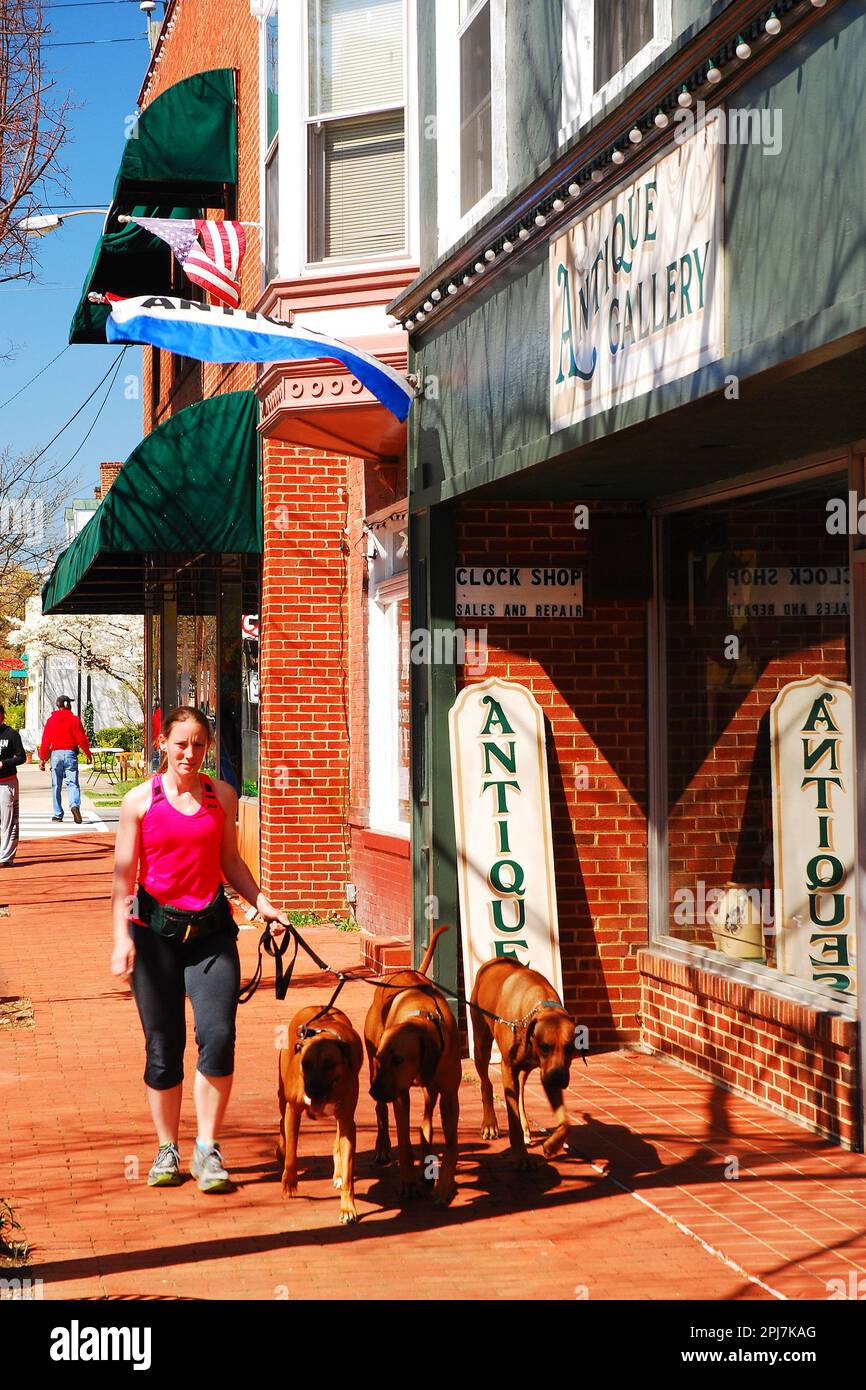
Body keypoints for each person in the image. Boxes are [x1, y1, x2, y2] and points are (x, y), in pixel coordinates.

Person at [110, 705, 290, 1193]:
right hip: (155, 937)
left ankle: (207, 1148)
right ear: (163, 744)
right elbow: (125, 876)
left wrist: (262, 903)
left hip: (211, 935)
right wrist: (121, 936)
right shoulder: (139, 802)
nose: (190, 753)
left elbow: (230, 859)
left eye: (199, 744)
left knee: (218, 1035)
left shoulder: (222, 796)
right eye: (181, 743)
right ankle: (167, 1148)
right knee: (163, 1047)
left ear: (207, 747)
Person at [38, 695, 92, 825]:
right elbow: (81, 738)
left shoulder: (51, 721)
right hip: (70, 753)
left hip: (56, 754)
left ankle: (57, 814)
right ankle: (74, 805)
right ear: (68, 705)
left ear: (58, 705)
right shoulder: (75, 720)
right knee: (72, 782)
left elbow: (45, 741)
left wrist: (43, 759)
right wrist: (88, 753)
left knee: (56, 784)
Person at [0, 705, 27, 868]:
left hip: (7, 782)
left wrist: (4, 763)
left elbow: (22, 757)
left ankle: (6, 857)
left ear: (2, 716)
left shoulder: (11, 734)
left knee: (8, 820)